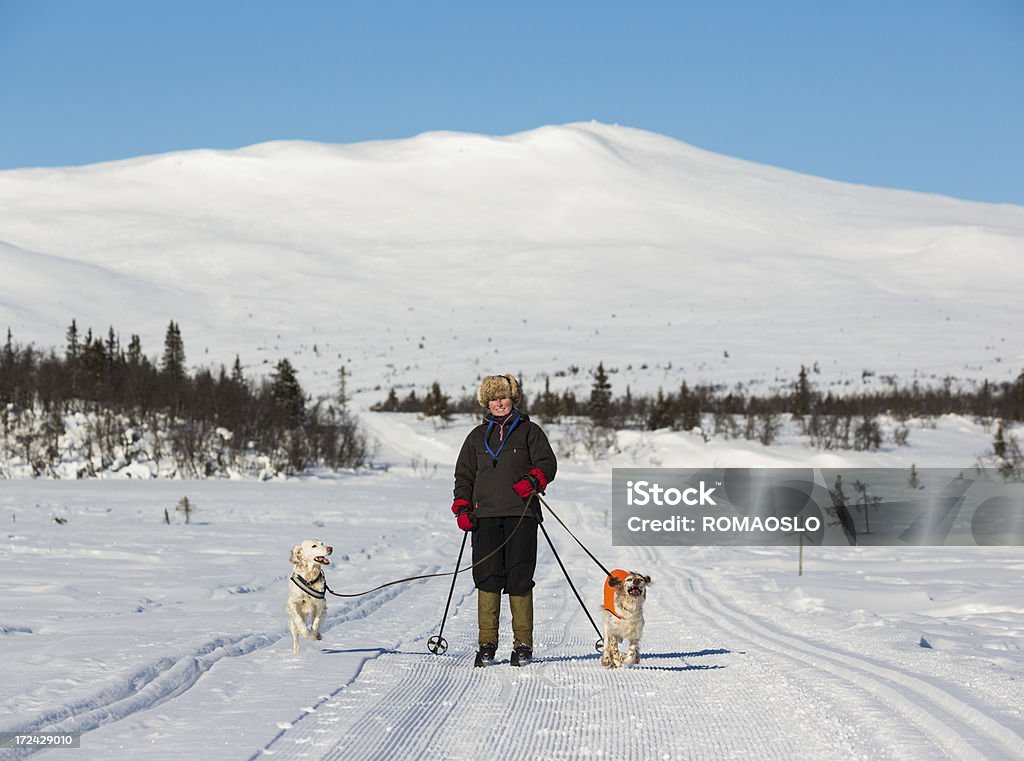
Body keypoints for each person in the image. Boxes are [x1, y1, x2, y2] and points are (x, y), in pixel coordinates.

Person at [452, 374, 557, 667]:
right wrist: (462, 505)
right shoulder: (475, 437)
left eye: (503, 397)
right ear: (486, 403)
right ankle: (487, 644)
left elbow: (547, 463)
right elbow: (464, 475)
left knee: (520, 577)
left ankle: (523, 645)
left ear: (513, 399)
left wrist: (534, 479)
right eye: (493, 399)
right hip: (483, 516)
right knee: (487, 577)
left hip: (521, 513)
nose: (499, 403)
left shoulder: (529, 432)